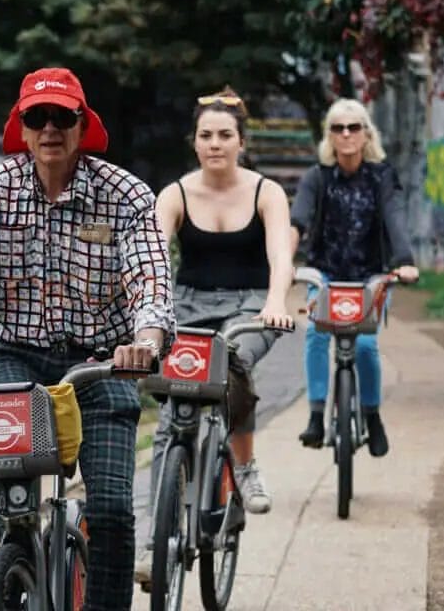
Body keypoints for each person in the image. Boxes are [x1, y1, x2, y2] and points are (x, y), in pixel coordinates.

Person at [0, 67, 175, 611]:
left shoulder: (126, 195)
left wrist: (144, 340)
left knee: (114, 514)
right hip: (12, 357)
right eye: (37, 117)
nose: (50, 128)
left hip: (103, 363)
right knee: (12, 504)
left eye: (61, 116)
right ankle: (20, 565)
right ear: (22, 129)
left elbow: (149, 278)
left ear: (82, 124)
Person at [134, 88, 295, 582]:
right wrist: (146, 316)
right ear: (195, 142)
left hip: (249, 307)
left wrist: (274, 302)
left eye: (225, 135)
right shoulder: (175, 194)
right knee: (169, 420)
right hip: (186, 307)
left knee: (233, 362)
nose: (215, 144)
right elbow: (153, 261)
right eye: (206, 135)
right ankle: (152, 544)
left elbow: (281, 256)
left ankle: (243, 467)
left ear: (240, 141)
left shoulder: (266, 191)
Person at [289, 98, 419, 456]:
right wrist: (284, 262)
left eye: (353, 127)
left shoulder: (382, 175)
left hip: (370, 276)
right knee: (316, 333)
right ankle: (316, 415)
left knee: (364, 344)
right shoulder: (317, 176)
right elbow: (297, 220)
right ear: (329, 136)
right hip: (326, 274)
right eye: (337, 128)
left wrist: (404, 261)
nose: (346, 134)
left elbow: (394, 218)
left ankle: (372, 416)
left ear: (366, 134)